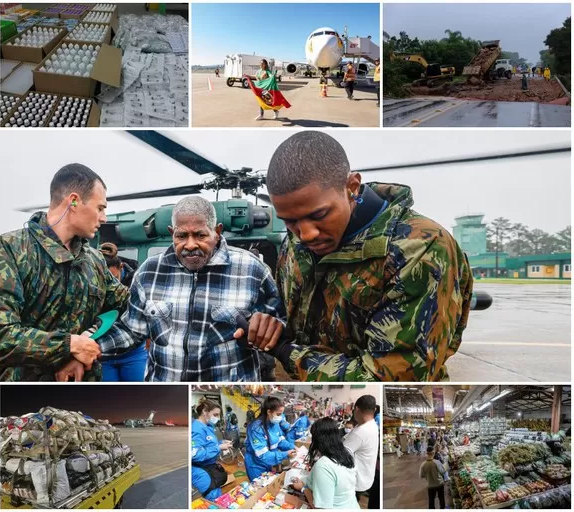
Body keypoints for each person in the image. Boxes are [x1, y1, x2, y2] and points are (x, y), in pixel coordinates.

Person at [264, 131, 473, 381]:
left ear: (351, 187)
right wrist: (270, 327)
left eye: (319, 215)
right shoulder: (295, 242)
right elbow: (293, 316)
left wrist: (287, 353)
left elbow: (392, 375)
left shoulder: (420, 248)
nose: (306, 234)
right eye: (290, 221)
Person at [0, 164, 130, 382]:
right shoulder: (8, 250)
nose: (104, 218)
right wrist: (69, 346)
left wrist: (84, 347)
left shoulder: (95, 261)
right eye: (100, 208)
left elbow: (125, 307)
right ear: (73, 201)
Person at [96, 195, 286, 382]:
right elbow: (132, 330)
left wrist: (267, 331)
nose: (190, 244)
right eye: (181, 236)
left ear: (217, 231)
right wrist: (91, 348)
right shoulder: (149, 271)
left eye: (200, 235)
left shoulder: (252, 270)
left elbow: (281, 324)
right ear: (172, 233)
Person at [99, 251, 148, 382]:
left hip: (134, 351)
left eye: (115, 277)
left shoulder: (137, 281)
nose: (111, 284)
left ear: (121, 267)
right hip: (102, 353)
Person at [291, 418, 359, 509]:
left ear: (318, 439)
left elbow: (320, 507)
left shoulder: (323, 465)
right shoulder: (346, 453)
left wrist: (303, 488)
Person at [244, 396, 296, 480]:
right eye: (278, 414)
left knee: (269, 481)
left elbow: (280, 440)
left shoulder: (274, 423)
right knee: (260, 485)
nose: (281, 417)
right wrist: (285, 454)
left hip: (269, 461)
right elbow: (262, 454)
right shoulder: (256, 428)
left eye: (282, 414)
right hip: (256, 464)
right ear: (269, 412)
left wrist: (292, 447)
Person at [192, 399, 232, 500]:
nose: (217, 418)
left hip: (210, 467)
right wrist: (218, 448)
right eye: (215, 415)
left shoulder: (208, 427)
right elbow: (195, 454)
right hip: (200, 470)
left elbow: (207, 444)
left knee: (217, 494)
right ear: (205, 411)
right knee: (213, 497)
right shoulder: (196, 429)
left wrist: (221, 443)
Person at [343, 396, 380, 504]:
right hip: (366, 477)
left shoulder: (361, 432)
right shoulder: (371, 425)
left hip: (355, 481)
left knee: (348, 504)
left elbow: (341, 454)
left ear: (357, 409)